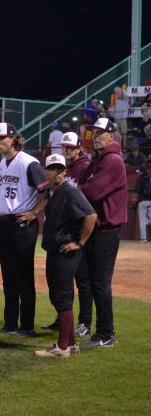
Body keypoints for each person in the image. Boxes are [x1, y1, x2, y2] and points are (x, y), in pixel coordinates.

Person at [35, 154, 97, 358]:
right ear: (46, 171)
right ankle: (70, 343)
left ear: (65, 172)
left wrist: (79, 243)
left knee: (61, 296)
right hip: (55, 249)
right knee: (61, 296)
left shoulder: (70, 191)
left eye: (59, 169)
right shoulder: (52, 192)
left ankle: (62, 348)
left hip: (65, 251)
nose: (56, 172)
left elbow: (91, 215)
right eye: (52, 168)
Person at [0, 122, 48, 336]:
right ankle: (10, 323)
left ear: (14, 139)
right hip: (5, 223)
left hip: (23, 224)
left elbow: (46, 191)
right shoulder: (4, 163)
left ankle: (26, 326)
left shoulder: (29, 162)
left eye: (1, 138)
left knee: (24, 275)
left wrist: (34, 213)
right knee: (8, 275)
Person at [78, 117, 128, 348]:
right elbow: (81, 183)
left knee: (100, 282)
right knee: (93, 281)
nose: (95, 137)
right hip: (96, 228)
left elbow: (92, 192)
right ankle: (101, 332)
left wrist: (77, 189)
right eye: (93, 133)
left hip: (107, 229)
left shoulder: (113, 160)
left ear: (111, 135)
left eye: (100, 133)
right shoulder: (98, 160)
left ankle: (107, 333)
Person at [133, 168, 151, 242]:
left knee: (142, 220)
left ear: (142, 173)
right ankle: (148, 221)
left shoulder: (140, 179)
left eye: (139, 172)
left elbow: (136, 191)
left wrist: (133, 201)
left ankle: (143, 238)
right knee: (149, 218)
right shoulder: (149, 179)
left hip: (142, 201)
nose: (138, 173)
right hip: (150, 201)